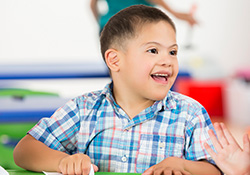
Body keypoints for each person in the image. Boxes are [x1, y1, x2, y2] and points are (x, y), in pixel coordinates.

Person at [13, 5, 221, 175]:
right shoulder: (84, 109)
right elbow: (24, 150)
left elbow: (214, 169)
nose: (167, 60)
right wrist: (64, 161)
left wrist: (183, 165)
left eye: (173, 52)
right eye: (153, 50)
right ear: (114, 60)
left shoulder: (189, 114)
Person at [90, 0, 197, 32]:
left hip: (108, 27)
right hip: (136, 28)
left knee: (116, 68)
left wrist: (101, 23)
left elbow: (92, 5)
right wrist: (177, 14)